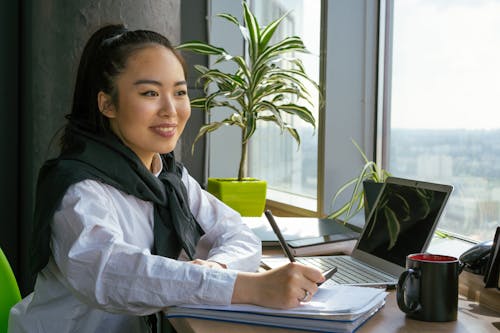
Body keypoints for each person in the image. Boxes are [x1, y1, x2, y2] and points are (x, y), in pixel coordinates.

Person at [8, 24, 325, 333]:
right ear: (107, 103)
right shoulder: (78, 188)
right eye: (150, 93)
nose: (171, 109)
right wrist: (247, 287)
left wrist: (218, 268)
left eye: (180, 92)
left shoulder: (168, 176)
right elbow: (113, 274)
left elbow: (237, 232)